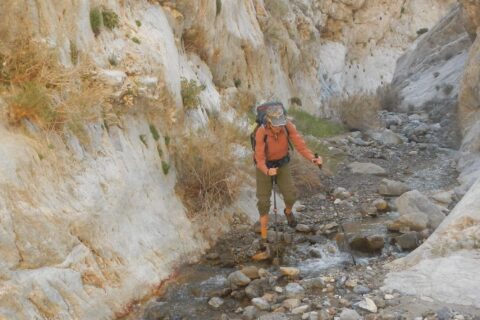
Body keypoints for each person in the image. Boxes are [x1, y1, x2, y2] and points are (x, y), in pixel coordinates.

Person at [254, 104, 322, 257]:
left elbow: (300, 146)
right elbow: (259, 158)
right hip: (264, 166)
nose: (279, 127)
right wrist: (267, 170)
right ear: (269, 123)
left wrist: (313, 159)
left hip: (282, 163)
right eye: (276, 125)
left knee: (291, 195)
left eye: (281, 124)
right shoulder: (261, 132)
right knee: (264, 202)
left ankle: (288, 211)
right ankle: (264, 238)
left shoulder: (287, 126)